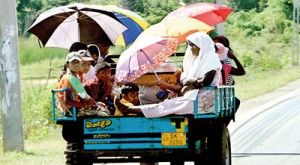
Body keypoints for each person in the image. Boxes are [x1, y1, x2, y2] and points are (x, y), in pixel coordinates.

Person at [114, 32, 222, 118]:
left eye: (193, 45)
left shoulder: (211, 58)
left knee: (167, 106)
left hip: (204, 101)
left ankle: (131, 110)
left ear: (202, 45)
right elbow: (189, 82)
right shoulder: (197, 61)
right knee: (167, 104)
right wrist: (186, 82)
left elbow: (204, 82)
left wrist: (187, 82)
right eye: (190, 45)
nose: (191, 48)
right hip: (194, 97)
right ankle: (132, 110)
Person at [57, 52, 109, 116]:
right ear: (67, 65)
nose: (76, 65)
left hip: (75, 109)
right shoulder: (68, 78)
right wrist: (85, 105)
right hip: (69, 111)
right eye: (73, 62)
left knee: (104, 112)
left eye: (78, 62)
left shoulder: (75, 78)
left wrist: (95, 104)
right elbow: (67, 101)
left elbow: (84, 95)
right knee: (102, 115)